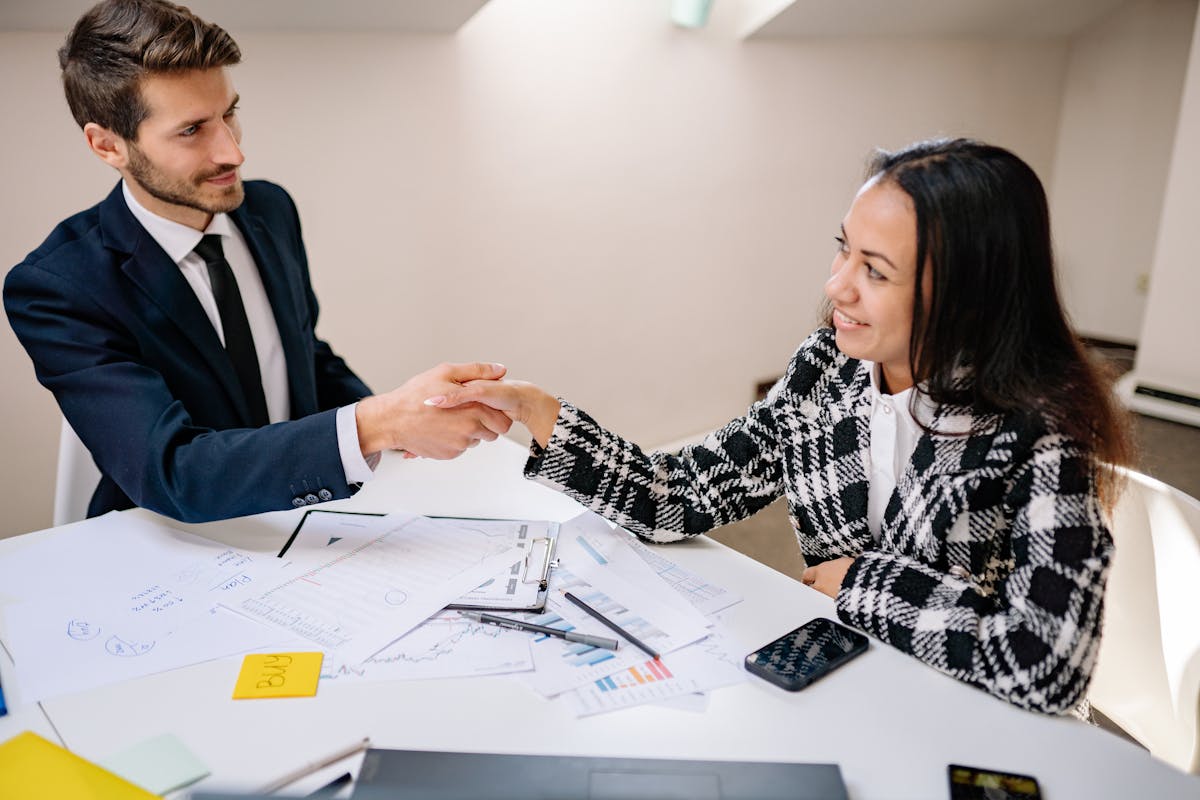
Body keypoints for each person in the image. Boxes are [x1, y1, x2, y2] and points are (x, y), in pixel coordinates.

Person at [426, 138, 1136, 715]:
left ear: (966, 296)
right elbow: (682, 494)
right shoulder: (830, 366)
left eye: (875, 271)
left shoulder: (1041, 430)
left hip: (970, 719)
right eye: (843, 249)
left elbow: (1047, 663)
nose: (837, 286)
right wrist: (543, 415)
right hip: (846, 689)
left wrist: (861, 583)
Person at [4, 0, 510, 523]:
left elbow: (305, 357)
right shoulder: (56, 287)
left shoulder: (269, 209)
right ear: (108, 145)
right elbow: (172, 471)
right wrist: (375, 424)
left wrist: (408, 429)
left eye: (229, 114)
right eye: (192, 130)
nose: (232, 153)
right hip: (166, 544)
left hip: (307, 518)